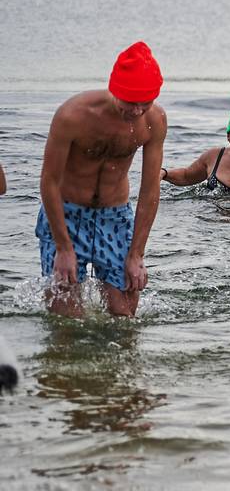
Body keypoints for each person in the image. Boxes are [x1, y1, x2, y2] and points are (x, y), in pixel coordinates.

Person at [37, 42, 167, 317]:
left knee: (124, 317)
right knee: (66, 318)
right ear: (115, 90)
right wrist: (63, 247)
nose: (137, 111)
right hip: (67, 215)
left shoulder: (154, 120)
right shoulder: (73, 115)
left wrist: (137, 254)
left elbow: (149, 189)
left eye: (146, 102)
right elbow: (49, 181)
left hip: (115, 218)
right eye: (130, 102)